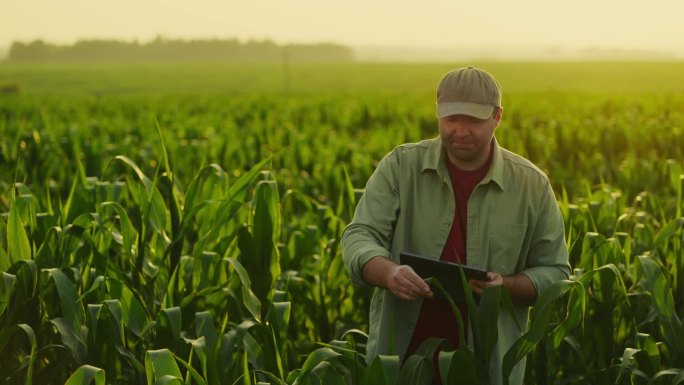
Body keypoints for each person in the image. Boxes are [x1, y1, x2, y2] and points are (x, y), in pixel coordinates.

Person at [341, 66, 570, 385]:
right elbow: (360, 236)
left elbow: (556, 273)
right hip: (402, 365)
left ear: (497, 117)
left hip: (487, 368)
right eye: (451, 120)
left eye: (473, 121)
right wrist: (389, 272)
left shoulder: (532, 185)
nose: (460, 131)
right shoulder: (400, 167)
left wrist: (504, 287)